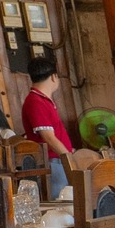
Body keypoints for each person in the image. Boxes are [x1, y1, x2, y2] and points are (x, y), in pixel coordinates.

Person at [21, 59, 77, 197]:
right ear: (53, 76)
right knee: (60, 201)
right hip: (53, 161)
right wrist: (69, 159)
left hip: (58, 159)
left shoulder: (42, 100)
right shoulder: (36, 101)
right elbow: (48, 137)